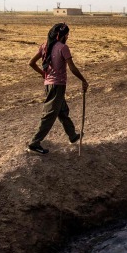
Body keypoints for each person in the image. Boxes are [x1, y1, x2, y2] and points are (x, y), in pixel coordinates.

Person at [27, 22, 88, 154]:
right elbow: (72, 67)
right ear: (63, 35)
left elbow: (31, 63)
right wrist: (83, 80)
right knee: (50, 115)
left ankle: (72, 135)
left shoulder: (45, 45)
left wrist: (44, 74)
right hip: (58, 86)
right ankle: (34, 143)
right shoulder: (63, 48)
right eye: (67, 35)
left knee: (62, 110)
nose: (67, 37)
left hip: (49, 85)